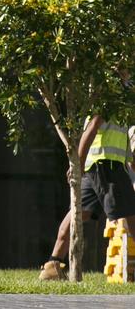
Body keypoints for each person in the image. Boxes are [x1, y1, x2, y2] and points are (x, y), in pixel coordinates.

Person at [39, 114, 135, 280]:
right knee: (132, 215)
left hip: (95, 168)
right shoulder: (107, 97)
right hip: (107, 167)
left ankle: (52, 265)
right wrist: (78, 164)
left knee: (78, 214)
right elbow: (92, 128)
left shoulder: (119, 102)